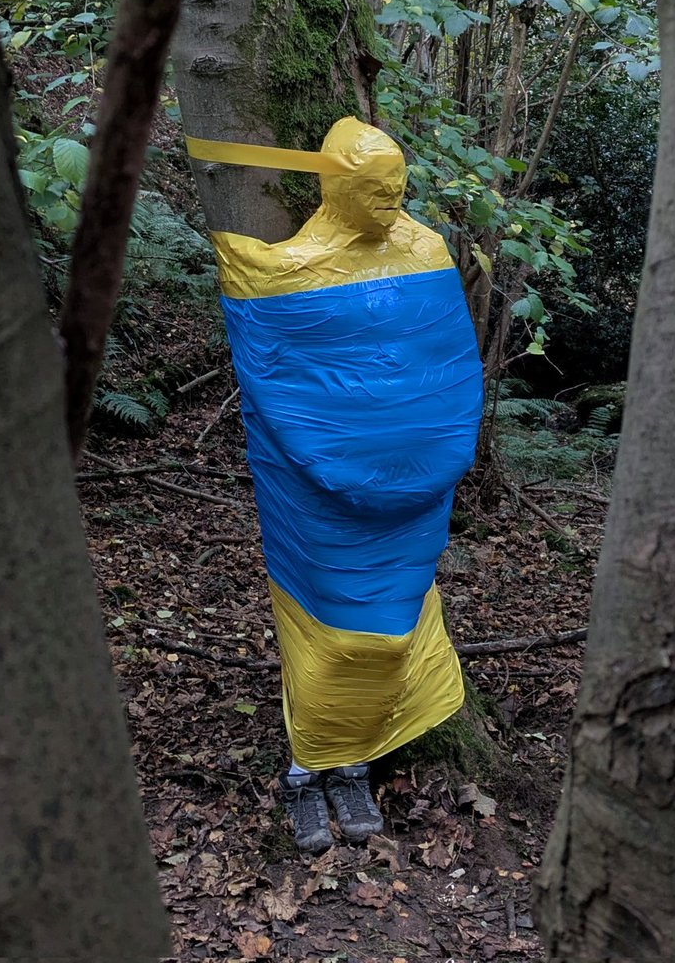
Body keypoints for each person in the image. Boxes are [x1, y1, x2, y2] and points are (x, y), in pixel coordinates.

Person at [208, 118, 483, 852]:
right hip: (318, 495)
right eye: (372, 189)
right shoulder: (289, 268)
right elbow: (285, 375)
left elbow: (448, 361)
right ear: (334, 184)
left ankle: (350, 761)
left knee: (391, 632)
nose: (388, 202)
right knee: (335, 635)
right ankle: (309, 770)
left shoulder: (425, 250)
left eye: (396, 187)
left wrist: (435, 451)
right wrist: (248, 272)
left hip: (418, 493)